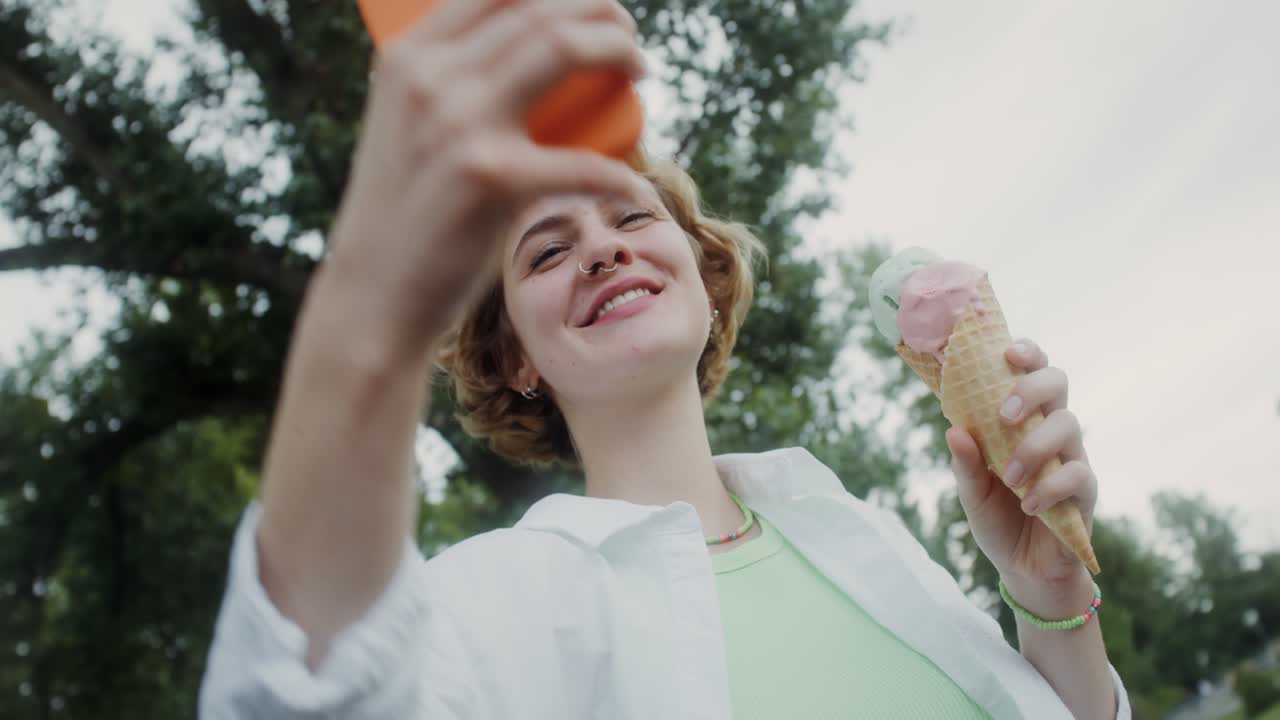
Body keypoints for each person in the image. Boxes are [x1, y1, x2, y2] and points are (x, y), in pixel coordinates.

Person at [198, 1, 1131, 717]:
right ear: (515, 357)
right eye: (547, 251)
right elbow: (300, 694)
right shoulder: (490, 605)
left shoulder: (856, 535)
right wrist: (370, 302)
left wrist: (1048, 595)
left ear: (704, 279)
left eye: (634, 217)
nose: (602, 249)